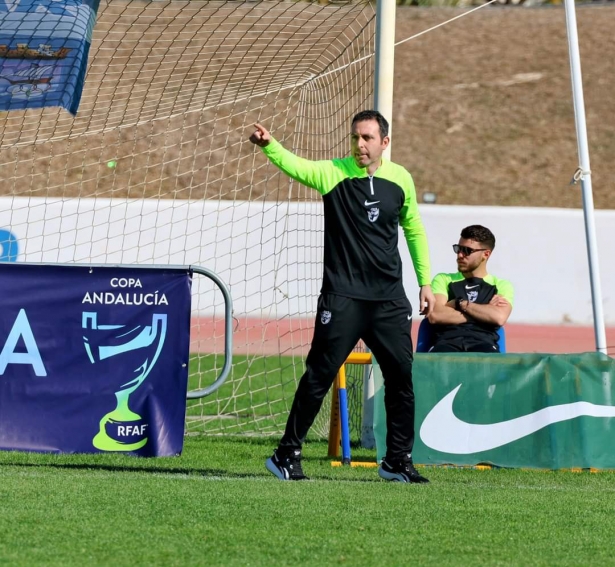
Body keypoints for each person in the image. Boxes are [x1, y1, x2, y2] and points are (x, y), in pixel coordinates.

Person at [249, 110, 435, 483]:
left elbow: (413, 229)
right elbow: (296, 166)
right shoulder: (333, 172)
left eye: (367, 138)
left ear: (385, 142)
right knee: (319, 375)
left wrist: (425, 282)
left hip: (388, 300)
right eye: (355, 138)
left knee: (401, 378)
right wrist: (271, 146)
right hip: (343, 297)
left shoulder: (400, 179)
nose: (360, 145)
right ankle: (287, 453)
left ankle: (397, 460)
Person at [426, 225, 513, 353]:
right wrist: (483, 313)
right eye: (458, 249)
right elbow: (435, 315)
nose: (460, 255)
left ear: (486, 254)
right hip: (446, 344)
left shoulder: (501, 285)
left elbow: (499, 317)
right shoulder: (443, 279)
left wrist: (458, 303)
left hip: (484, 345)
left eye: (467, 250)